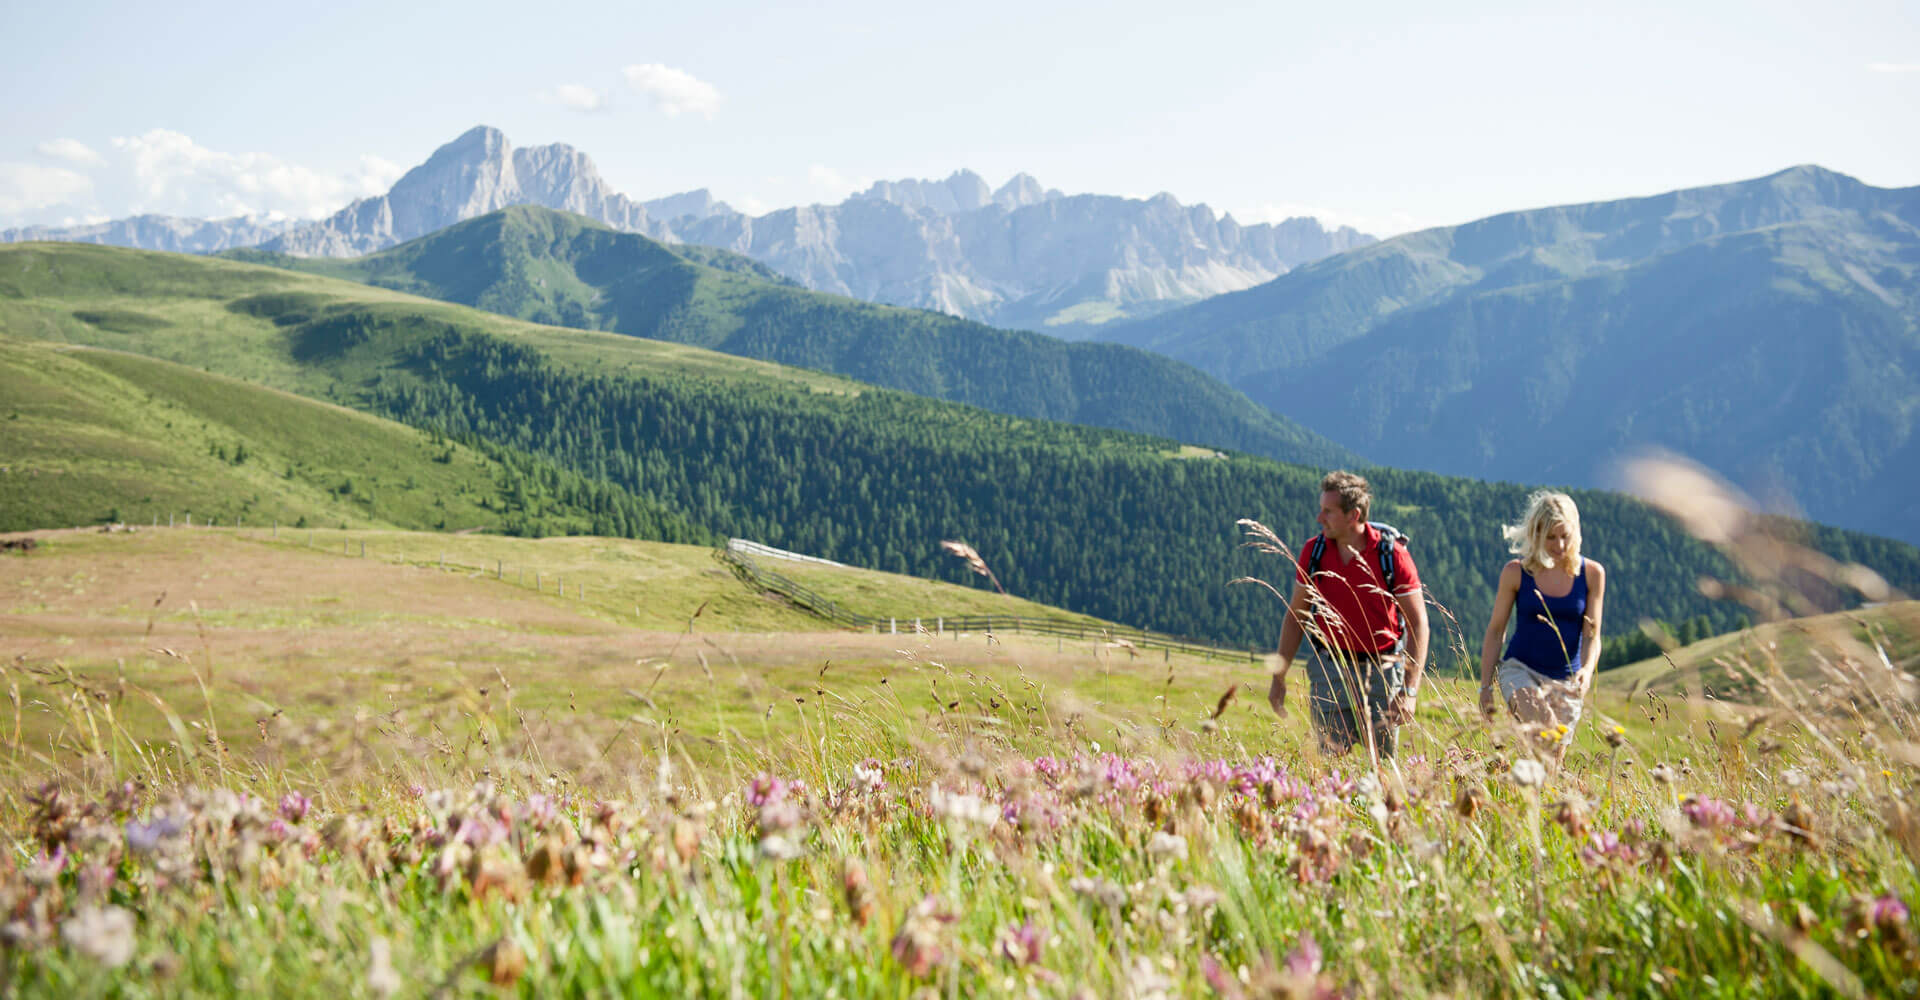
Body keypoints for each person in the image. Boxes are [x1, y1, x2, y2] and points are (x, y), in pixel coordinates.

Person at [1267, 471, 1429, 761]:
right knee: (1331, 760)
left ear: (1354, 515)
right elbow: (1297, 616)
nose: (1320, 518)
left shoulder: (1392, 556)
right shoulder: (1314, 551)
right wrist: (1279, 677)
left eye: (1328, 511)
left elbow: (1418, 624)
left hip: (1382, 669)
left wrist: (1409, 691)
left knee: (1382, 765)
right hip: (1330, 667)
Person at [1477, 491, 1607, 766]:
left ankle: (1522, 799)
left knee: (1551, 763)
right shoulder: (1516, 572)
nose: (1559, 544)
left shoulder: (1592, 574)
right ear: (1536, 535)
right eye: (1550, 537)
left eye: (1565, 536)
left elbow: (1592, 635)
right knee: (1547, 732)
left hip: (1567, 681)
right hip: (1520, 671)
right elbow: (1495, 630)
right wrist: (1485, 686)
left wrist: (1585, 670)